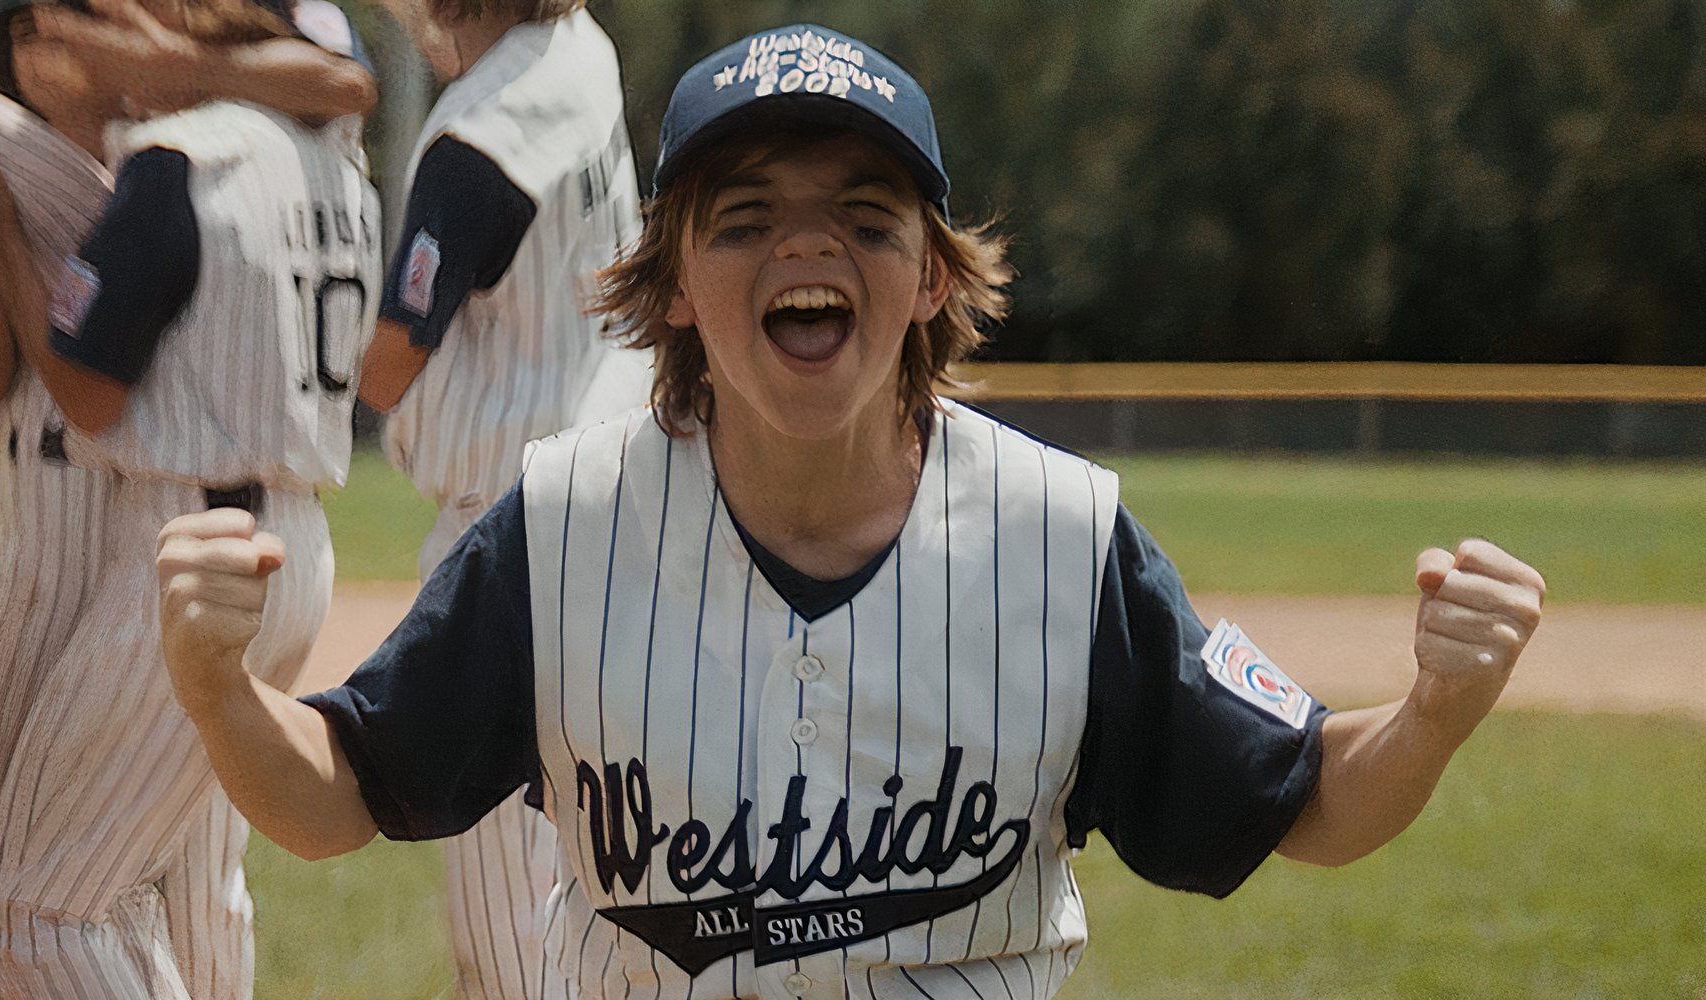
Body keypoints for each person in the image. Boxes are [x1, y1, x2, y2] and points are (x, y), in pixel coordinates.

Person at [155, 22, 1548, 999]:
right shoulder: (565, 526)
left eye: (866, 214)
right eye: (744, 215)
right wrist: (218, 689)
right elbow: (341, 793)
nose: (807, 244)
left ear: (932, 280)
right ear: (679, 286)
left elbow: (1301, 801)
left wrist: (1434, 713)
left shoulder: (1060, 539)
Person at [0, 0, 375, 994]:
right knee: (27, 886)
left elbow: (89, 395)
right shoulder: (311, 159)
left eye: (90, 25)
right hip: (233, 530)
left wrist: (8, 234)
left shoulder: (179, 161)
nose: (73, 46)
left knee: (51, 898)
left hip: (185, 537)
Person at [353, 1, 644, 990]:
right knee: (601, 884)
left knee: (512, 930)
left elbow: (390, 363)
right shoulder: (582, 49)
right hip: (612, 493)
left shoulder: (482, 130)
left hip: (509, 528)